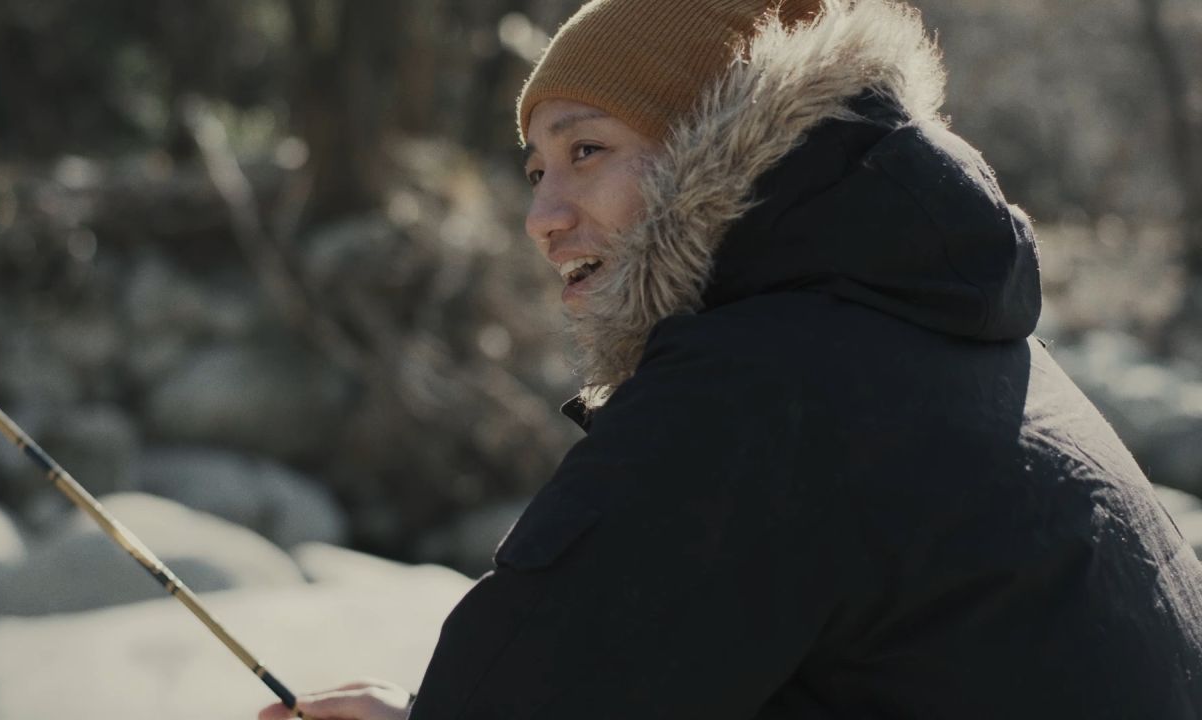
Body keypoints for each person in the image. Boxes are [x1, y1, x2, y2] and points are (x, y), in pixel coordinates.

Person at [259, 0, 1202, 718]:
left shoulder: (757, 393)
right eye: (536, 169)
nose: (541, 218)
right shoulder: (942, 333)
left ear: (720, 149)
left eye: (587, 148)